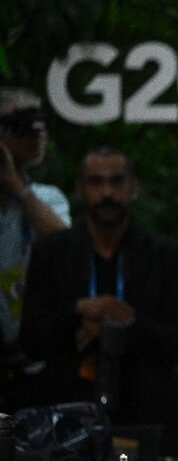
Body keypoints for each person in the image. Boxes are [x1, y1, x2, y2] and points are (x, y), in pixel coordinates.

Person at [19, 146, 178, 454]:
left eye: (116, 182)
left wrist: (124, 322)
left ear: (133, 187)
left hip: (148, 409)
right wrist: (76, 312)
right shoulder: (52, 253)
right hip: (67, 414)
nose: (107, 193)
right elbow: (31, 341)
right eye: (96, 182)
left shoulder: (162, 254)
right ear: (81, 188)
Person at [0, 87, 70, 412]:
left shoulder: (46, 199)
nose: (38, 133)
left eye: (41, 123)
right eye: (24, 124)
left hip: (36, 367)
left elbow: (67, 250)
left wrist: (16, 187)